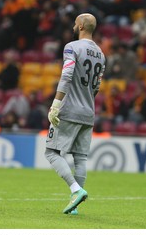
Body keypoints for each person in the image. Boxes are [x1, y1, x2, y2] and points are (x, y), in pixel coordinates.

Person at [45, 13, 106, 215]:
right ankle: (74, 207)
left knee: (51, 152)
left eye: (74, 23)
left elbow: (67, 74)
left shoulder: (72, 47)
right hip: (88, 111)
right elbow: (96, 86)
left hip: (69, 109)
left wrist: (56, 104)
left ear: (80, 26)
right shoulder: (101, 54)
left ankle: (75, 190)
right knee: (80, 158)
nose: (73, 25)